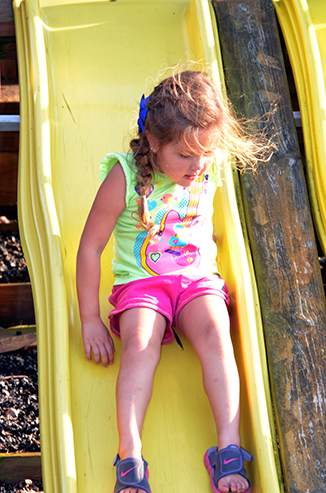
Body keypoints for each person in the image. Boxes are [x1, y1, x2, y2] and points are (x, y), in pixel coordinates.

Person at [76, 70, 268, 493]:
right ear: (154, 142)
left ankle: (228, 447)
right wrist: (90, 318)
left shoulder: (206, 168)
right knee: (141, 346)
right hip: (141, 284)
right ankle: (130, 454)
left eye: (207, 153)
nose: (198, 165)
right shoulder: (124, 178)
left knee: (219, 335)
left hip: (196, 279)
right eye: (185, 155)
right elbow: (90, 248)